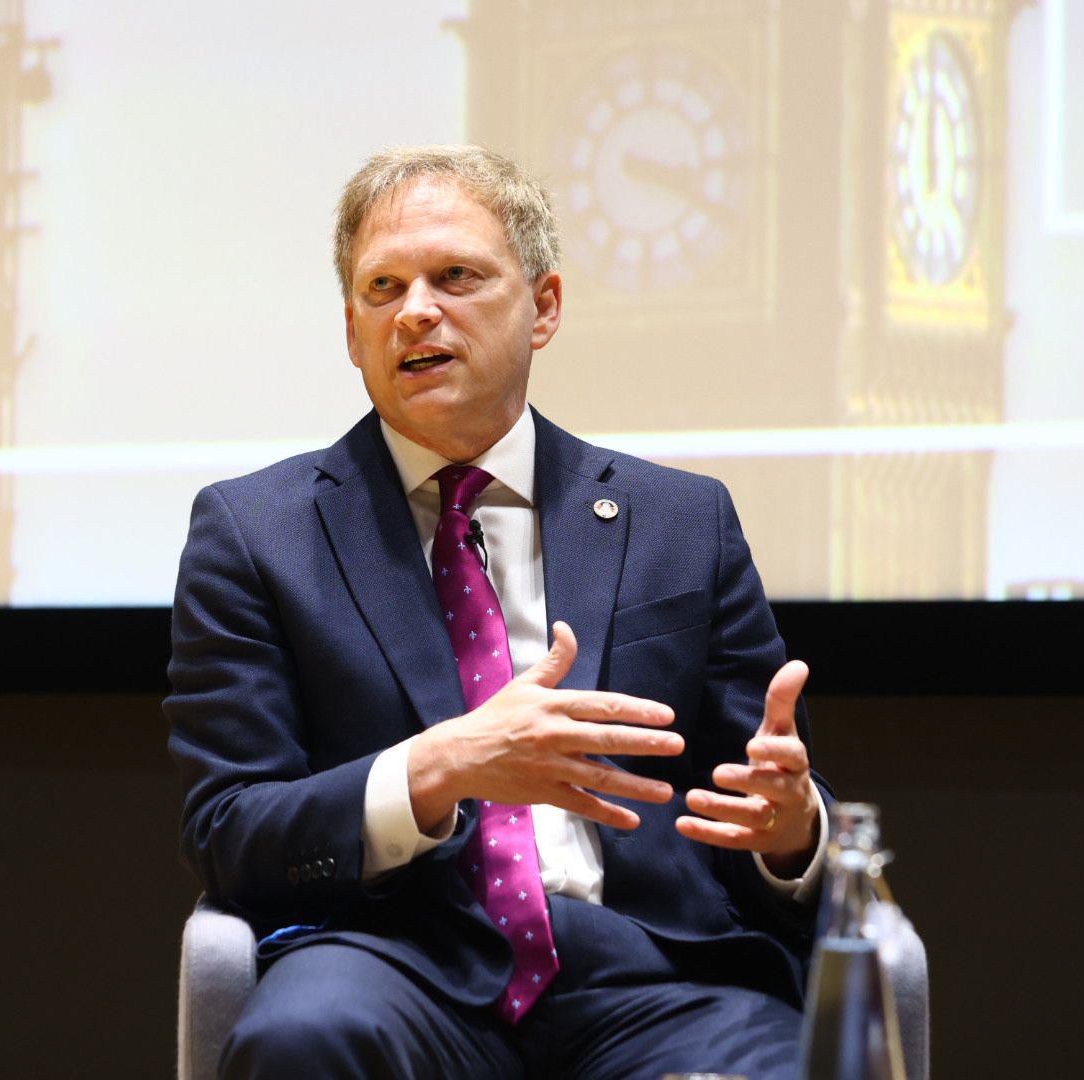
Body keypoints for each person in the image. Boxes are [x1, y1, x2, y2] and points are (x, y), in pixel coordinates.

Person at [165, 144, 832, 1079]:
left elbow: (766, 803)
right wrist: (442, 766)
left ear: (544, 305)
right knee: (297, 1040)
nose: (417, 311)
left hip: (645, 969)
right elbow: (231, 829)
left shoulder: (683, 522)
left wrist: (791, 832)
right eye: (382, 288)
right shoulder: (256, 533)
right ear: (352, 332)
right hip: (390, 956)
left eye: (455, 276)